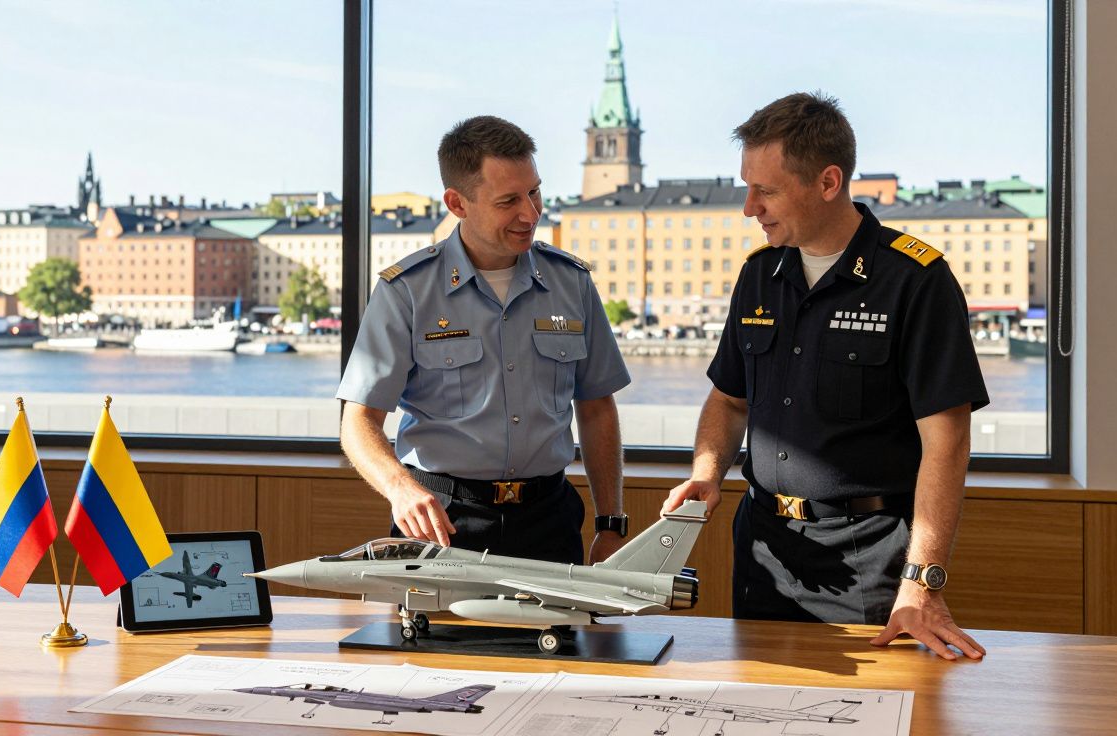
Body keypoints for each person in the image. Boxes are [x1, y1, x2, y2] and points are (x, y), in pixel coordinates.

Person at [663, 92, 990, 660]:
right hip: (763, 547)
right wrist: (707, 472)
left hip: (869, 556)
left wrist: (922, 583)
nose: (749, 208)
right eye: (747, 187)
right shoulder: (759, 274)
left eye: (766, 191)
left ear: (828, 182)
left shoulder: (914, 280)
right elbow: (730, 399)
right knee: (756, 701)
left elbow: (948, 442)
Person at [337, 115, 631, 566]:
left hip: (549, 520)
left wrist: (611, 523)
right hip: (443, 522)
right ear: (457, 203)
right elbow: (358, 421)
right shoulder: (408, 291)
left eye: (534, 192)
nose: (530, 214)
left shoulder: (571, 282)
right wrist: (400, 489)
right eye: (508, 201)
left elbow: (597, 409)